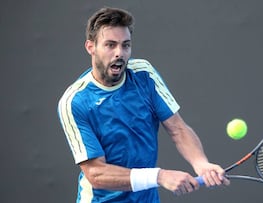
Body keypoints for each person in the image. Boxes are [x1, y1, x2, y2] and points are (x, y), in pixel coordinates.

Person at [57, 7, 229, 203]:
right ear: (91, 47)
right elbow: (95, 173)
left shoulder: (144, 74)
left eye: (125, 45)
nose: (119, 53)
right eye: (110, 45)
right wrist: (159, 176)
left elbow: (177, 128)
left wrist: (201, 163)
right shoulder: (75, 102)